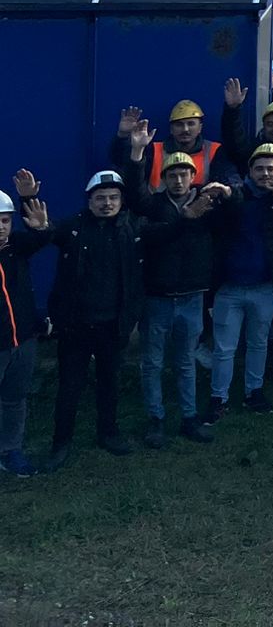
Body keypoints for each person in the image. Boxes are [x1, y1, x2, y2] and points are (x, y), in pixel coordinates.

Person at [12, 167, 145, 467]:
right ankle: (61, 444)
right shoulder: (72, 227)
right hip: (76, 326)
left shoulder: (133, 228)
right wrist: (29, 199)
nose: (107, 203)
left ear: (122, 200)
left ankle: (109, 434)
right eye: (100, 198)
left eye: (113, 197)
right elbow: (43, 230)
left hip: (114, 325)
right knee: (69, 386)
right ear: (89, 200)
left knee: (110, 383)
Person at [133, 151, 227, 447]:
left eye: (183, 174)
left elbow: (235, 211)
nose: (177, 180)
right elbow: (146, 229)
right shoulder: (153, 206)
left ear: (193, 177)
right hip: (157, 297)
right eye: (171, 175)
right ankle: (155, 419)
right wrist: (136, 154)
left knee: (186, 361)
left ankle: (189, 418)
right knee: (153, 362)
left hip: (192, 296)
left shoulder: (209, 206)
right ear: (163, 179)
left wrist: (225, 191)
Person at [206, 140, 273, 424]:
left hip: (266, 286)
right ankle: (218, 398)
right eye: (259, 168)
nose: (264, 174)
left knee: (259, 342)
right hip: (230, 287)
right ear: (249, 170)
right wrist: (223, 192)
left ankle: (254, 392)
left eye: (270, 168)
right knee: (224, 347)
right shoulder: (236, 196)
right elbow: (231, 198)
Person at [0, 188, 39, 474]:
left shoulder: (16, 248)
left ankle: (11, 450)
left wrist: (27, 201)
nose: (1, 227)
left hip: (23, 340)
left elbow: (43, 237)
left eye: (5, 220)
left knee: (15, 399)